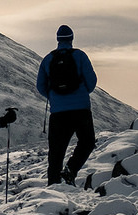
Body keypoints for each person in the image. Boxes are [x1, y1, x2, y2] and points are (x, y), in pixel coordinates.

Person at [36, 24, 98, 186]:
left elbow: (40, 86)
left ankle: (53, 186)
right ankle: (70, 170)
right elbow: (91, 81)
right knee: (87, 142)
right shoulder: (80, 56)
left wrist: (54, 97)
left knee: (56, 152)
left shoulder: (48, 59)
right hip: (81, 109)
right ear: (71, 39)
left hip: (58, 113)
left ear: (57, 39)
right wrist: (81, 93)